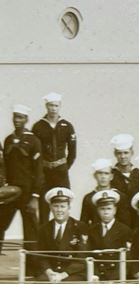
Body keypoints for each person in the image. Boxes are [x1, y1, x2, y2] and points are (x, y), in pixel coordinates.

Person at [33, 188, 88, 284]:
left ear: (69, 207)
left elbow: (82, 258)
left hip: (73, 273)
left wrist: (63, 275)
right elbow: (41, 255)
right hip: (52, 272)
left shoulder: (80, 227)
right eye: (56, 206)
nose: (59, 210)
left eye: (63, 206)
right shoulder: (44, 228)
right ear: (51, 208)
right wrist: (50, 273)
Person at [86, 189, 132, 284]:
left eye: (109, 208)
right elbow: (89, 256)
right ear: (97, 211)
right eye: (102, 209)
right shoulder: (92, 230)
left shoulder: (124, 230)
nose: (106, 212)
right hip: (97, 277)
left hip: (116, 278)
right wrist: (95, 278)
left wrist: (112, 282)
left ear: (115, 210)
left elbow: (126, 260)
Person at [0, 105, 42, 263]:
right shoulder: (8, 140)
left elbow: (38, 171)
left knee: (30, 230)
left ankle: (33, 266)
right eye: (15, 116)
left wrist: (35, 197)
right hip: (11, 192)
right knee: (0, 223)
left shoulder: (33, 141)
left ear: (26, 119)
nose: (17, 120)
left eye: (20, 117)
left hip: (27, 192)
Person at [32, 92, 77, 222]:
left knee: (64, 204)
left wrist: (63, 167)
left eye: (56, 105)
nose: (53, 108)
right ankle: (44, 235)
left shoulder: (67, 126)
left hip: (61, 172)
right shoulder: (38, 126)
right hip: (45, 172)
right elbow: (34, 152)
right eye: (51, 105)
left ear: (60, 106)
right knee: (44, 208)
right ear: (46, 106)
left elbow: (72, 153)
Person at [80, 158, 117, 227]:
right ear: (95, 175)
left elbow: (125, 224)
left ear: (111, 176)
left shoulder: (119, 196)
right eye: (100, 173)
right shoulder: (88, 198)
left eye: (106, 173)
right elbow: (83, 224)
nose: (103, 177)